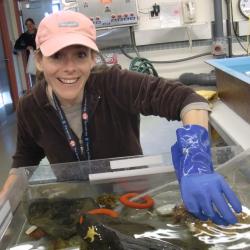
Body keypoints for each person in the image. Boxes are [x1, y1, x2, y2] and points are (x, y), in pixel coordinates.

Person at [5, 11, 242, 225]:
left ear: (92, 58)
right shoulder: (30, 107)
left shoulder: (114, 84)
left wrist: (196, 159)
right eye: (56, 56)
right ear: (39, 60)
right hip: (78, 202)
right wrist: (3, 210)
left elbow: (188, 99)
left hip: (133, 195)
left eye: (80, 54)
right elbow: (22, 164)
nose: (70, 68)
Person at [14, 18, 37, 86]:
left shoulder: (39, 33)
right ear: (26, 26)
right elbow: (16, 46)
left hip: (42, 59)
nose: (29, 26)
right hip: (31, 61)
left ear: (33, 24)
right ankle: (36, 94)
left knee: (45, 78)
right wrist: (26, 47)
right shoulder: (24, 36)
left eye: (31, 24)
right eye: (27, 25)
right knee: (34, 80)